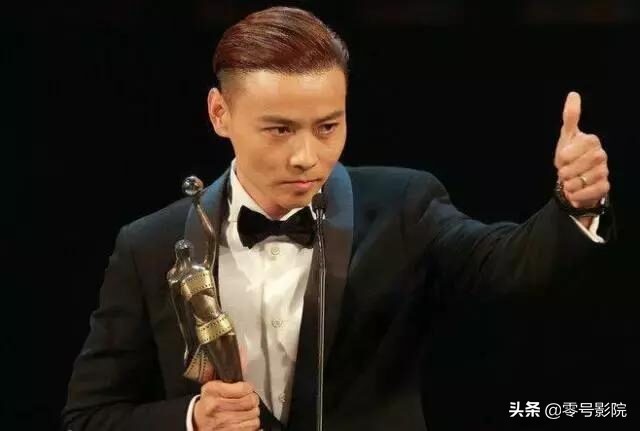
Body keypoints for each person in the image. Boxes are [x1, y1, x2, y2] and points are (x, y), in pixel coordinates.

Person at [61, 6, 614, 431]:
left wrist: (576, 203)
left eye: (328, 127)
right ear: (220, 113)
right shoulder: (150, 244)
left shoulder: (402, 206)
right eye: (280, 129)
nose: (307, 157)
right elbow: (89, 416)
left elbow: (511, 265)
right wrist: (192, 419)